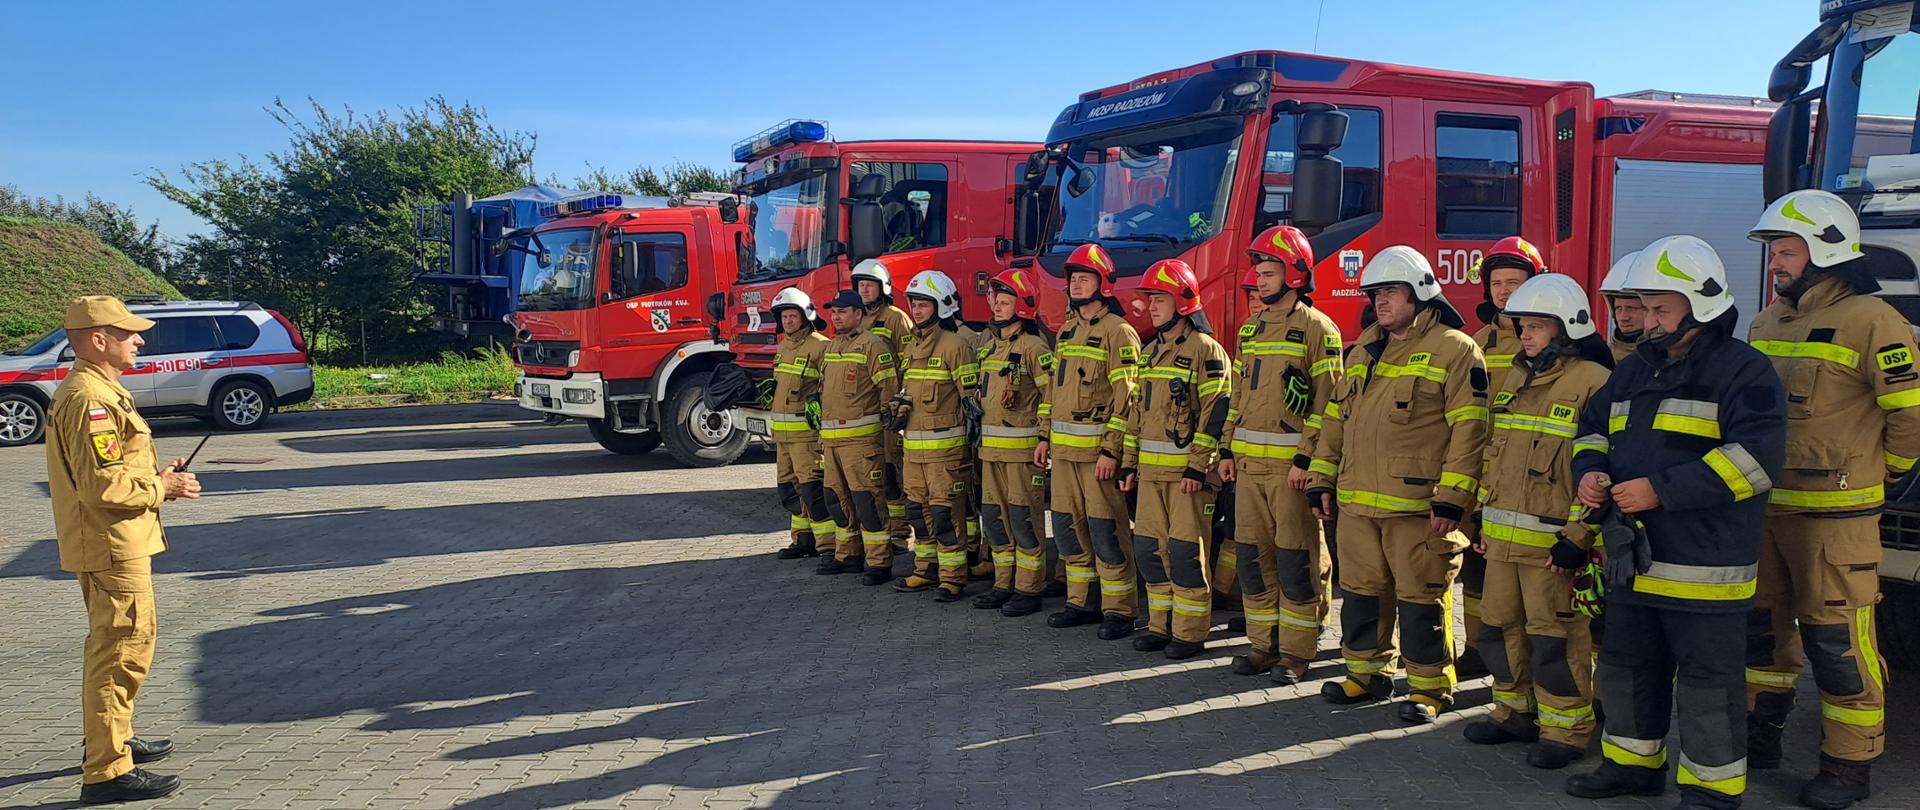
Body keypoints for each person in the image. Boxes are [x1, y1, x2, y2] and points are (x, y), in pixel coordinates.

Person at [1564, 235, 1785, 810]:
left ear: (1701, 304)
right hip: (1635, 561)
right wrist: (1590, 472)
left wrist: (1659, 491)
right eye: (1645, 308)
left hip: (1705, 566)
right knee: (1626, 668)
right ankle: (1632, 767)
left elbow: (1756, 462)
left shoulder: (1744, 371)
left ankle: (1712, 791)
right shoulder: (1634, 370)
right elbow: (1591, 430)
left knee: (1709, 684)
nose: (1649, 321)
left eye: (1661, 309)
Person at [1744, 190, 1914, 809]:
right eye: (1773, 252)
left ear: (1826, 252)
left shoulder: (1873, 319)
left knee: (1837, 644)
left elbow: (1910, 414)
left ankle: (1849, 764)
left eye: (1786, 252)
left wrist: (1884, 474)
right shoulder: (1766, 322)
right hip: (1768, 511)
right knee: (1761, 635)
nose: (1776, 264)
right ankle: (1758, 735)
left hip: (1835, 521)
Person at [1304, 246, 1488, 724]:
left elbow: (1470, 430)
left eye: (1390, 291)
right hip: (1357, 506)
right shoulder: (1364, 348)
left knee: (1421, 600)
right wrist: (1321, 477)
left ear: (1420, 292)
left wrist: (1452, 500)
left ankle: (1430, 688)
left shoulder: (1455, 349)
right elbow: (1336, 421)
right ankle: (1366, 675)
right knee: (1361, 596)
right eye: (1375, 293)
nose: (1380, 301)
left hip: (1418, 508)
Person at [48, 295, 200, 804]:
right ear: (98, 340)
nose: (138, 340)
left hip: (114, 541)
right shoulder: (89, 399)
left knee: (125, 646)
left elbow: (111, 471)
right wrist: (162, 488)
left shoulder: (100, 389)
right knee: (119, 652)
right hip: (111, 546)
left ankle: (115, 739)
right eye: (128, 333)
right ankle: (107, 770)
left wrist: (155, 476)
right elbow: (101, 487)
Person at [1460, 273, 1614, 770]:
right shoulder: (1517, 377)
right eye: (1521, 325)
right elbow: (1495, 454)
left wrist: (1578, 537)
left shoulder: (1595, 382)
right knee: (1497, 628)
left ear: (1566, 329)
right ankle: (1514, 713)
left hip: (1553, 547)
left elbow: (1602, 472)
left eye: (1535, 326)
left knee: (1554, 638)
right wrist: (1482, 516)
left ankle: (1566, 730)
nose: (1523, 334)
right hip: (1503, 539)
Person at [1217, 226, 1342, 684]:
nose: (1259, 280)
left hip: (1291, 471)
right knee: (1253, 560)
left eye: (1269, 272)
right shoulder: (1250, 329)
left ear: (1295, 275)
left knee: (1295, 562)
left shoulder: (1318, 328)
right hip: (1249, 469)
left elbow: (1328, 404)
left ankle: (1295, 653)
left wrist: (1306, 461)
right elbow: (1237, 396)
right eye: (1258, 272)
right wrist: (1226, 449)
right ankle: (1261, 645)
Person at [1120, 258, 1232, 659]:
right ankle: (1159, 626)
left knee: (1186, 555)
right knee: (1151, 551)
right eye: (1150, 299)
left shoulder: (1206, 350)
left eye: (1160, 299)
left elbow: (1216, 413)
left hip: (1187, 477)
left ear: (1183, 303)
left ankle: (1188, 633)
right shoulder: (1150, 352)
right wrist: (1128, 463)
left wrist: (1198, 467)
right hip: (1151, 474)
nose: (1151, 306)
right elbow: (1136, 414)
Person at [1035, 243, 1143, 640]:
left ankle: (1119, 610)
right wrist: (1044, 436)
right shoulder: (1067, 331)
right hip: (1064, 455)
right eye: (1074, 279)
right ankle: (1081, 602)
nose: (1077, 285)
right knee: (1067, 529)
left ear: (1103, 285)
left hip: (1097, 456)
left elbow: (1127, 398)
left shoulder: (1119, 332)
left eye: (1085, 278)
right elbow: (1053, 389)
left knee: (1106, 532)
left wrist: (1112, 450)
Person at [1460, 236, 1546, 678]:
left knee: (1525, 576)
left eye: (1515, 282)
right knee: (1477, 565)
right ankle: (1476, 647)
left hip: (1529, 476)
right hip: (1483, 475)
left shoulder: (1547, 341)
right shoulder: (1476, 343)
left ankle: (1525, 658)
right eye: (1497, 283)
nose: (1504, 290)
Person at [888, 271, 981, 601]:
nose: (916, 310)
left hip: (946, 453)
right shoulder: (913, 346)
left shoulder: (956, 346)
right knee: (917, 513)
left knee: (945, 516)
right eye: (914, 304)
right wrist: (898, 406)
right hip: (914, 450)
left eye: (924, 304)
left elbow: (971, 402)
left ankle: (953, 578)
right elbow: (908, 390)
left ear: (942, 305)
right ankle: (925, 569)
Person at [973, 268, 1055, 616]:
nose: (998, 308)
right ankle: (1003, 583)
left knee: (1024, 521)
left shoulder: (1034, 348)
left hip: (1022, 454)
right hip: (990, 452)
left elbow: (1050, 396)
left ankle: (1029, 588)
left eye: (1006, 303)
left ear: (1022, 307)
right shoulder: (989, 347)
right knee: (994, 520)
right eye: (997, 302)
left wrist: (1045, 437)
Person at [815, 290, 901, 585]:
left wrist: (888, 435)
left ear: (858, 314)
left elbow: (889, 392)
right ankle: (848, 555)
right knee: (837, 501)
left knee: (868, 503)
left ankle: (879, 562)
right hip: (832, 443)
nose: (836, 317)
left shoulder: (873, 346)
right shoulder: (832, 346)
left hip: (862, 444)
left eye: (842, 312)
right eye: (833, 312)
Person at [768, 288, 839, 560]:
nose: (788, 321)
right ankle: (803, 540)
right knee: (789, 490)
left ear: (805, 316)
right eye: (784, 316)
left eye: (792, 316)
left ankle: (828, 546)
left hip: (807, 438)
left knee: (813, 492)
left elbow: (830, 389)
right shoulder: (783, 346)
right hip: (783, 438)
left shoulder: (821, 346)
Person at [851, 258, 916, 549]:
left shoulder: (896, 318)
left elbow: (910, 360)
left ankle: (900, 535)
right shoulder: (857, 320)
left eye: (870, 285)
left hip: (889, 408)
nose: (865, 290)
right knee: (873, 473)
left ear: (883, 288)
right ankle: (882, 532)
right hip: (865, 411)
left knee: (892, 472)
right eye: (861, 285)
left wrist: (901, 400)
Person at [1599, 251, 1648, 363]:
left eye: (1631, 308)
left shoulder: (1666, 361)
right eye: (1618, 308)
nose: (1623, 317)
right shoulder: (1604, 360)